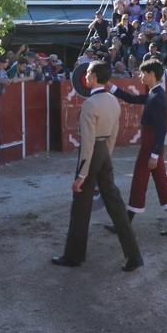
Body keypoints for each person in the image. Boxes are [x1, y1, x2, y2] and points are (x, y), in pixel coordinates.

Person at [52, 61, 143, 272]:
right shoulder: (113, 100)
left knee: (80, 207)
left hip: (92, 155)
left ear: (93, 77)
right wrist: (106, 159)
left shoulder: (89, 105)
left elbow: (87, 143)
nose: (86, 77)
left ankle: (73, 255)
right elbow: (112, 135)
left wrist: (82, 175)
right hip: (104, 154)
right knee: (116, 204)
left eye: (88, 74)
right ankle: (134, 254)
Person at [105, 59, 167, 237]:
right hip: (152, 147)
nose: (140, 76)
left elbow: (161, 129)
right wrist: (110, 86)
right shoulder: (154, 94)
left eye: (142, 73)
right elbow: (132, 98)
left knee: (139, 183)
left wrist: (155, 154)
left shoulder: (156, 97)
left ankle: (124, 224)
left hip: (150, 147)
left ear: (151, 74)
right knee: (162, 185)